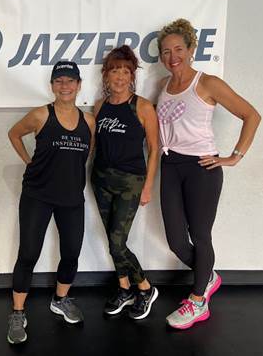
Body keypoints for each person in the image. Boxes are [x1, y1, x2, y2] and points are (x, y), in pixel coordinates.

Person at [156, 19, 261, 329]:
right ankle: (208, 276)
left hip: (201, 168)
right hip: (170, 165)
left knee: (201, 236)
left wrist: (234, 157)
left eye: (178, 49)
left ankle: (198, 300)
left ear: (191, 50)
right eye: (166, 51)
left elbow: (251, 115)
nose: (173, 56)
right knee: (176, 241)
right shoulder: (163, 87)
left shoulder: (207, 83)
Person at [6, 61, 96, 344]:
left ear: (79, 85)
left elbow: (86, 153)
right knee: (28, 254)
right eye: (59, 81)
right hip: (38, 195)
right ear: (52, 86)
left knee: (71, 252)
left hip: (71, 198)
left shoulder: (89, 121)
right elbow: (14, 134)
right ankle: (17, 312)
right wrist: (29, 161)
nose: (65, 86)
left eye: (70, 81)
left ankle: (60, 299)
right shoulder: (40, 115)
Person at [91, 45, 160, 319]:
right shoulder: (100, 106)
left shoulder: (142, 106)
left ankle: (145, 287)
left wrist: (148, 186)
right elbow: (93, 146)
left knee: (118, 242)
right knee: (112, 239)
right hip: (100, 179)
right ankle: (124, 289)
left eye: (125, 72)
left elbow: (154, 149)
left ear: (132, 76)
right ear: (106, 75)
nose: (119, 77)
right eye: (114, 71)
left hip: (130, 182)